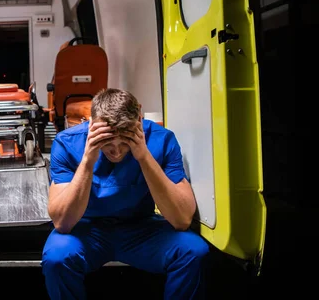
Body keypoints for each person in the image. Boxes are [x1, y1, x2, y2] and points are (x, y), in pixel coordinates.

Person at [41, 88, 209, 299]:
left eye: (124, 143)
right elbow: (62, 223)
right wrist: (88, 160)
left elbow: (182, 219)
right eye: (108, 144)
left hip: (141, 228)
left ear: (139, 119)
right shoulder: (67, 143)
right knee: (57, 257)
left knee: (193, 251)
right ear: (92, 125)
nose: (117, 152)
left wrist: (143, 156)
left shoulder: (162, 140)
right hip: (87, 230)